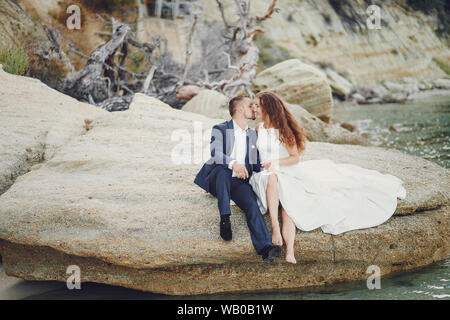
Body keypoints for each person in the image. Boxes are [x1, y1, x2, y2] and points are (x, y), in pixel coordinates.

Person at [249, 91, 407, 264]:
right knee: (273, 180)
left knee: (289, 208)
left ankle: (290, 251)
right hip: (268, 174)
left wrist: (275, 162)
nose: (254, 108)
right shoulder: (258, 129)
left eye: (257, 105)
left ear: (267, 108)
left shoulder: (284, 131)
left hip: (287, 171)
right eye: (253, 105)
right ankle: (275, 227)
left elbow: (294, 157)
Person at [194, 95, 282, 264]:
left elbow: (256, 164)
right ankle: (225, 218)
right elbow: (216, 153)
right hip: (217, 178)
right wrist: (233, 163)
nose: (254, 109)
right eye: (251, 105)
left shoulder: (252, 134)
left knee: (251, 205)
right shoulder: (220, 128)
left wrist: (271, 171)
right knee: (223, 169)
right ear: (240, 109)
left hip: (239, 182)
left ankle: (265, 248)